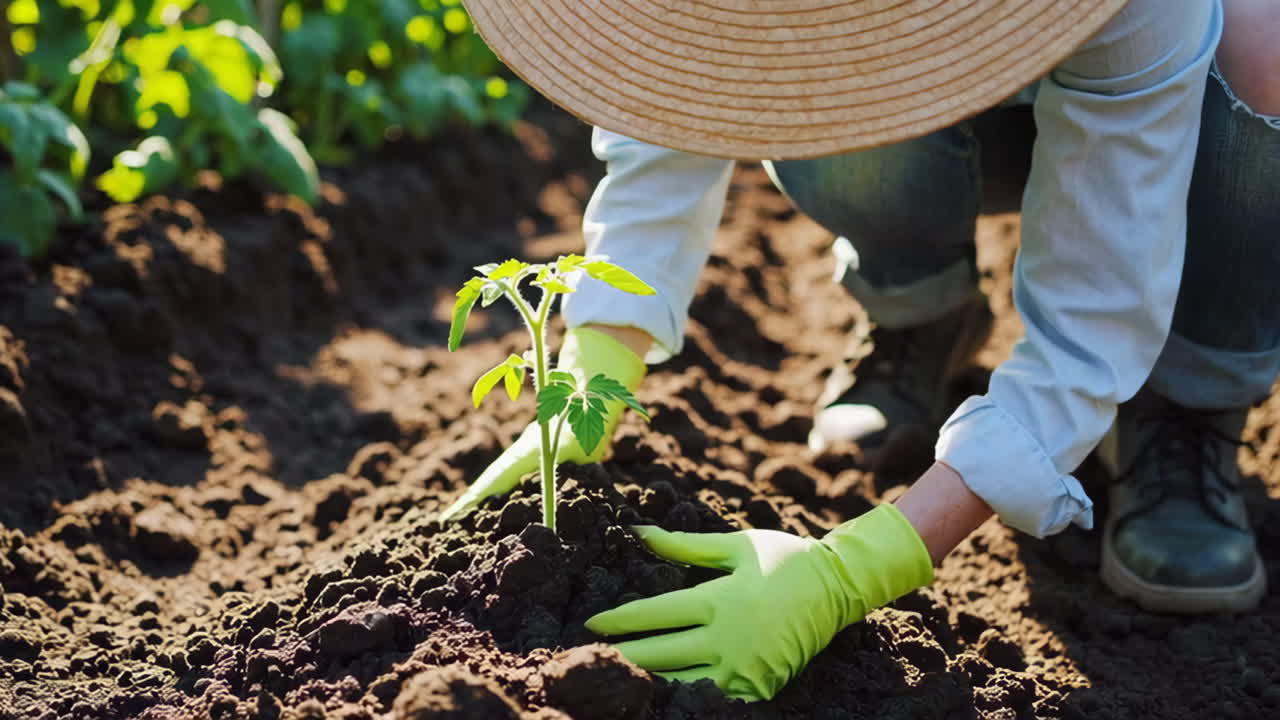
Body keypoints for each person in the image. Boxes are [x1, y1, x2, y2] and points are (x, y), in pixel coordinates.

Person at [447, 0, 1276, 703]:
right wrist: (598, 369)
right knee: (828, 100)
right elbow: (670, 94)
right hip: (956, 118)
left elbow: (1091, 315)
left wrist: (862, 567)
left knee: (1266, 47)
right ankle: (921, 313)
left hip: (1193, 99)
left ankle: (1191, 399)